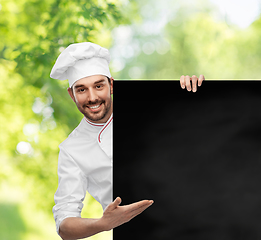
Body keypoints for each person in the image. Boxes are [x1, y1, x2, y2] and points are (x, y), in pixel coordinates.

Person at [50, 42, 205, 240]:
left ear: (111, 84)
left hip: (197, 223)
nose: (92, 97)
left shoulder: (150, 110)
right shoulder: (71, 149)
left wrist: (193, 92)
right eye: (81, 90)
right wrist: (103, 224)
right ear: (72, 94)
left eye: (99, 86)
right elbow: (64, 224)